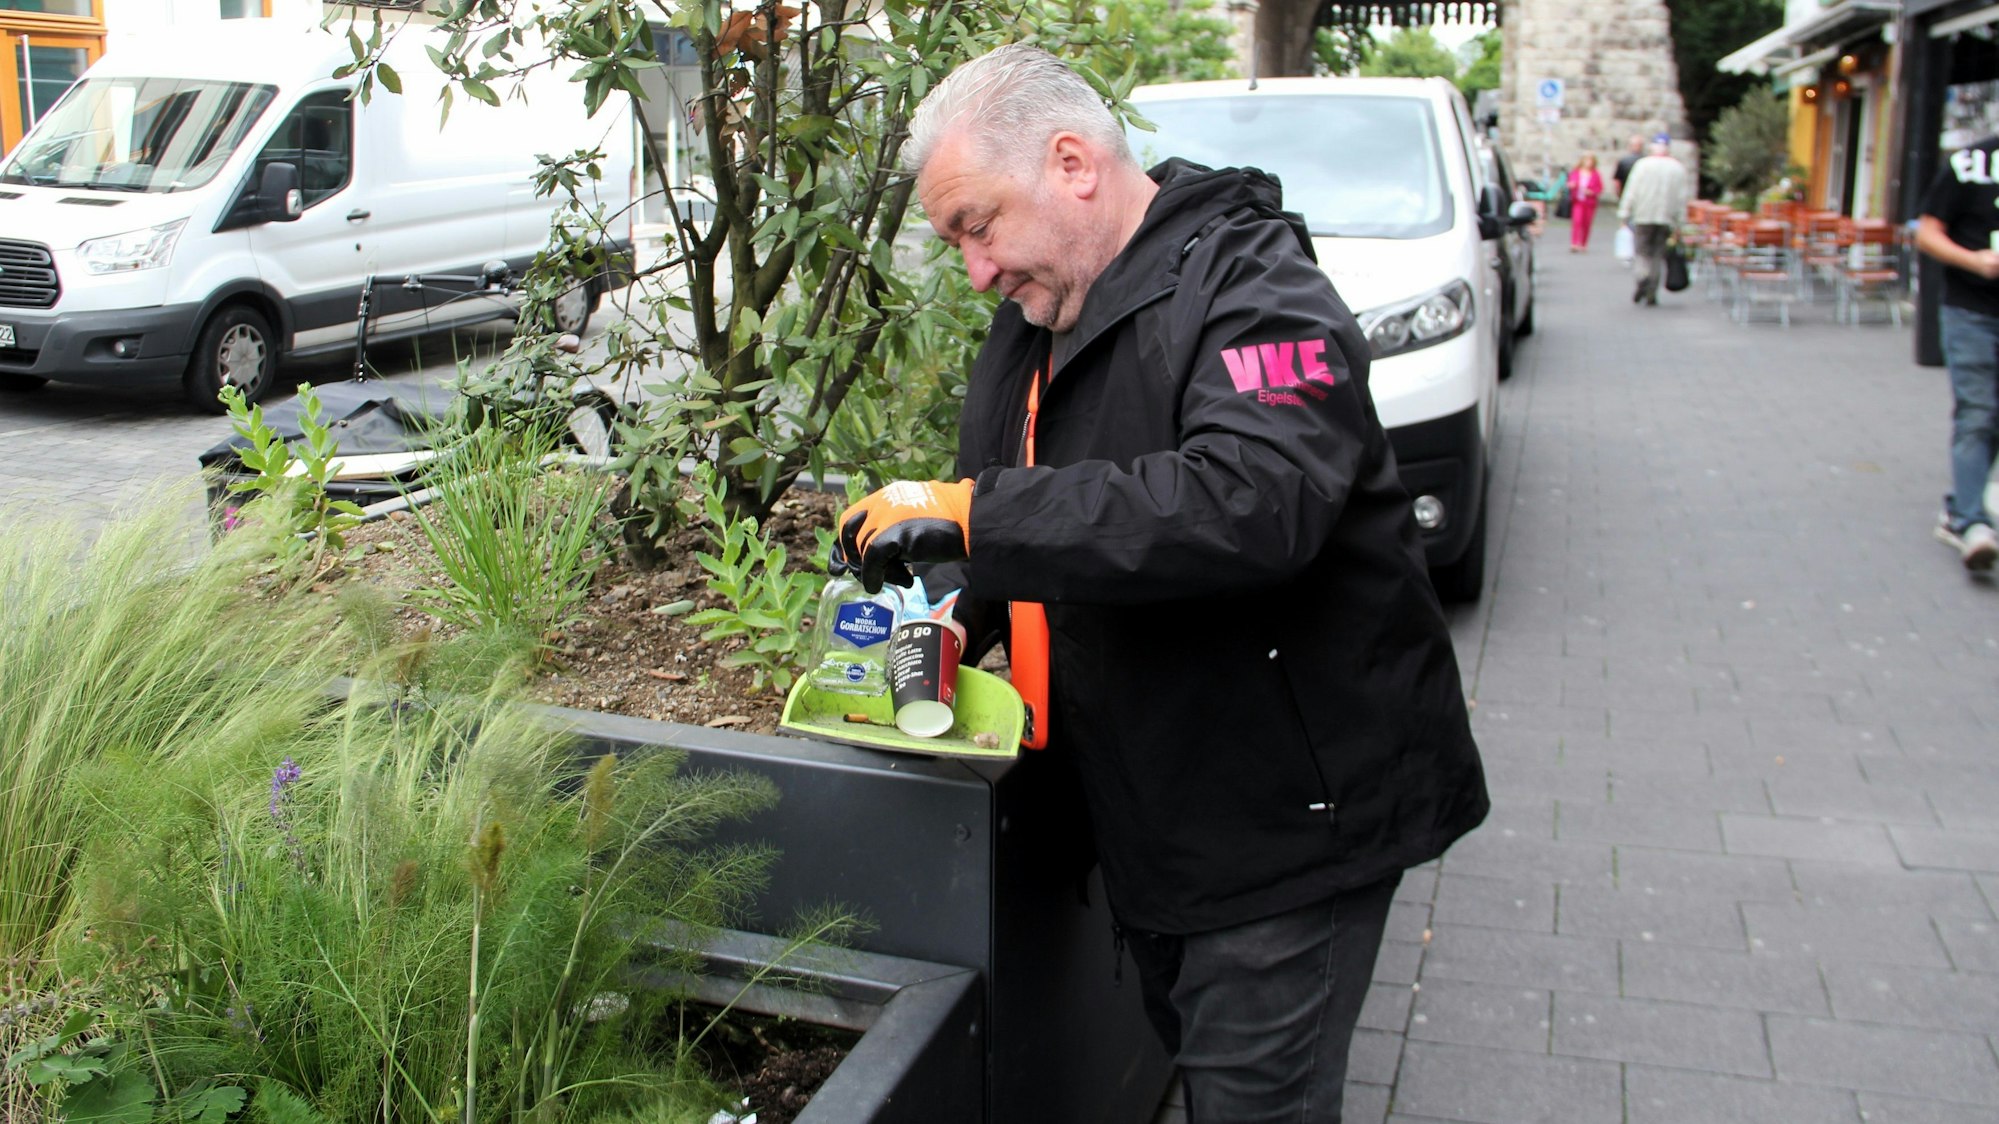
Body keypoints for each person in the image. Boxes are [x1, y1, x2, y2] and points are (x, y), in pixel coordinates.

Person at [831, 44, 1489, 1122]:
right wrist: (939, 603)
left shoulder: (1256, 288)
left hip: (1282, 823)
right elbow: (1024, 510)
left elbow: (1253, 497)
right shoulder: (1039, 317)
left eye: (978, 226)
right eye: (956, 242)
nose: (977, 271)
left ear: (1072, 164)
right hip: (1153, 815)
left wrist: (979, 516)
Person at [1916, 136, 1999, 571]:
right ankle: (1972, 522)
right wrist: (1974, 261)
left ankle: (1959, 506)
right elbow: (1926, 232)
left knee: (1991, 417)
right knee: (1977, 411)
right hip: (1972, 310)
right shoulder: (1971, 162)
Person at [1616, 140, 1688, 306]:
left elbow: (1631, 191)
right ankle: (1651, 292)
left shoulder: (1642, 165)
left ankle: (1643, 276)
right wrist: (1680, 223)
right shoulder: (1677, 168)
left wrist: (1624, 213)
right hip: (1666, 217)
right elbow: (1681, 198)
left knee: (1642, 251)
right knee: (1657, 253)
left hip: (1643, 215)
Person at [1566, 153, 1604, 252]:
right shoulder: (1576, 172)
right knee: (1577, 221)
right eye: (1586, 160)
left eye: (1590, 160)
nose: (1588, 163)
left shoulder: (1595, 174)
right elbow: (1570, 182)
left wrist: (1592, 192)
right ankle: (1574, 243)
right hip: (1577, 200)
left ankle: (1583, 243)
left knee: (1586, 223)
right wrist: (1571, 185)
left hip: (1589, 202)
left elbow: (1599, 188)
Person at [1612, 133, 1644, 199]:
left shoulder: (1623, 161)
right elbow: (1617, 180)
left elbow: (1617, 181)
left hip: (1631, 194)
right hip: (1633, 193)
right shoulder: (1623, 161)